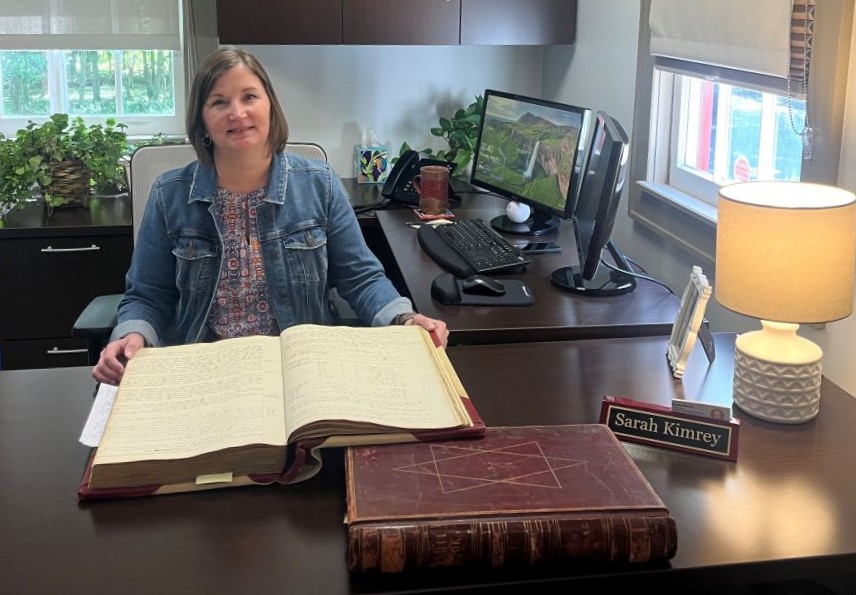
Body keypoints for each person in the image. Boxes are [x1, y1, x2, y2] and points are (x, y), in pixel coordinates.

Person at [93, 48, 448, 386]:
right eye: (219, 102)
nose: (237, 113)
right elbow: (147, 295)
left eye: (249, 97)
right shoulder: (168, 194)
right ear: (202, 121)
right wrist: (132, 335)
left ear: (270, 108)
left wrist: (404, 318)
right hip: (203, 368)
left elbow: (360, 278)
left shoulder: (319, 184)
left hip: (301, 369)